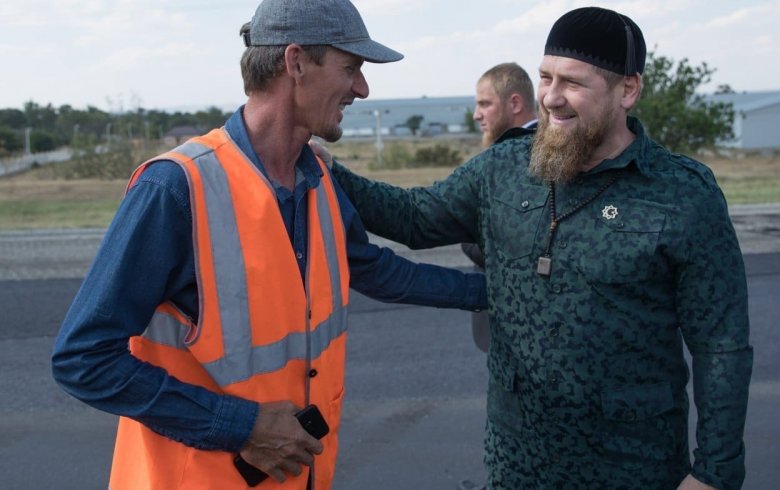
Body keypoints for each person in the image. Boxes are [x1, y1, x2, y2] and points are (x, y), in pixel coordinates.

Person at [50, 1, 487, 489]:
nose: (362, 88)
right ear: (295, 63)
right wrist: (240, 426)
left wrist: (498, 292)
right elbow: (83, 359)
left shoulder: (317, 176)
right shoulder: (176, 188)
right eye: (351, 68)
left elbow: (376, 270)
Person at [328, 6, 752, 489]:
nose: (551, 98)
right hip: (517, 464)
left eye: (573, 82)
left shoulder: (682, 194)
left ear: (627, 90)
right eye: (546, 77)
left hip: (635, 467)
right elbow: (413, 216)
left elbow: (722, 345)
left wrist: (715, 474)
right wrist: (330, 170)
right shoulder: (504, 168)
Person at [464, 61, 538, 353]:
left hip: (517, 322)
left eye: (485, 104)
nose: (476, 114)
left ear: (515, 103)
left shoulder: (520, 159)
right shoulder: (541, 149)